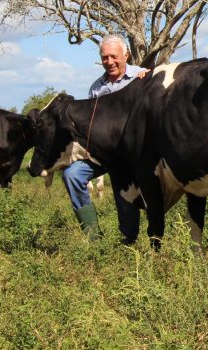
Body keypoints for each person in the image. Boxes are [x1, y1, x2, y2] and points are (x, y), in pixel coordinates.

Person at [63, 34, 147, 239]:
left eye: (113, 56)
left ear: (126, 55)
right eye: (104, 58)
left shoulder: (142, 77)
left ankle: (130, 240)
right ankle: (92, 236)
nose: (109, 62)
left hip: (132, 155)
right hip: (101, 155)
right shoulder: (96, 88)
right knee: (72, 174)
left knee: (125, 195)